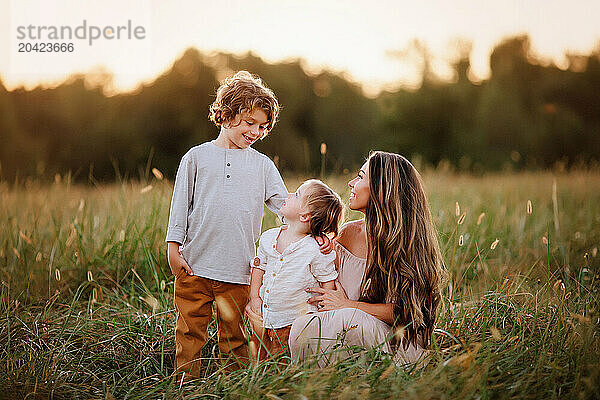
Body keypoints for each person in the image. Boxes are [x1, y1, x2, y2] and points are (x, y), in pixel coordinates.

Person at [165, 71, 288, 377]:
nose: (256, 131)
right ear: (226, 115)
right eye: (249, 123)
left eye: (262, 126)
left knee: (235, 339)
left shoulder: (262, 166)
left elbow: (285, 207)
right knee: (190, 335)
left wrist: (314, 217)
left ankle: (234, 386)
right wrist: (172, 247)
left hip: (239, 271)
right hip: (194, 266)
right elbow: (180, 206)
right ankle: (186, 385)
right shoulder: (196, 158)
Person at [289, 151, 447, 367]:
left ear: (383, 190)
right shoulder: (347, 234)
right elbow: (326, 286)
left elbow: (407, 313)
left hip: (394, 343)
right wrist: (315, 244)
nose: (352, 183)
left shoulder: (406, 243)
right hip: (347, 332)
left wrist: (348, 306)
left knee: (350, 321)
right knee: (304, 326)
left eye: (361, 177)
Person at [244, 179, 344, 363]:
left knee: (284, 364)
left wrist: (324, 312)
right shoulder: (269, 238)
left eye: (297, 194)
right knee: (258, 361)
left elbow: (327, 282)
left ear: (305, 215)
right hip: (263, 317)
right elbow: (258, 267)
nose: (289, 195)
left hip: (292, 323)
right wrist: (254, 297)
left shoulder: (315, 249)